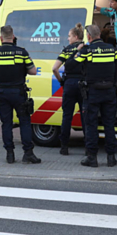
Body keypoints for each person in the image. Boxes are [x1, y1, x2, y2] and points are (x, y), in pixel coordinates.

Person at [0, 25, 41, 165]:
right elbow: (33, 71)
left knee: (6, 124)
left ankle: (10, 154)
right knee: (24, 122)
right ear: (13, 36)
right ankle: (28, 153)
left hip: (1, 93)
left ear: (1, 38)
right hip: (18, 93)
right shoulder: (21, 53)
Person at [73, 24, 117, 168]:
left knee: (91, 124)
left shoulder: (87, 50)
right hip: (109, 91)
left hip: (92, 92)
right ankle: (111, 158)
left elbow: (72, 65)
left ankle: (92, 157)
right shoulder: (112, 49)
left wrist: (77, 51)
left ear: (89, 37)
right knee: (109, 124)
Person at [52, 24, 85, 156]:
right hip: (84, 85)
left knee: (66, 116)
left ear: (75, 36)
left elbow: (54, 68)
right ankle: (88, 147)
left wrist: (61, 81)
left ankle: (64, 146)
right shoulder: (86, 48)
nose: (68, 38)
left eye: (69, 36)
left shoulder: (67, 50)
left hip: (69, 84)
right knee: (86, 117)